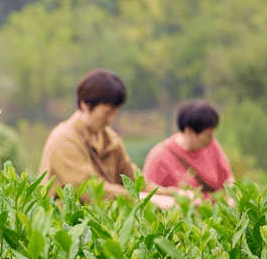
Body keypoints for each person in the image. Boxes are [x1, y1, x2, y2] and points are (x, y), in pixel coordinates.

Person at [39, 69, 175, 207]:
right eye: (106, 113)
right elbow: (91, 189)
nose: (111, 120)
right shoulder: (64, 140)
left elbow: (133, 180)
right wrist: (147, 200)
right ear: (85, 105)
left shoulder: (110, 138)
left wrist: (175, 195)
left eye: (115, 113)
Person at [144, 101, 234, 200]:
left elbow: (227, 180)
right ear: (189, 131)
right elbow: (149, 194)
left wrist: (231, 200)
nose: (212, 138)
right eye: (208, 135)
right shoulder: (159, 156)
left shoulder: (211, 144)